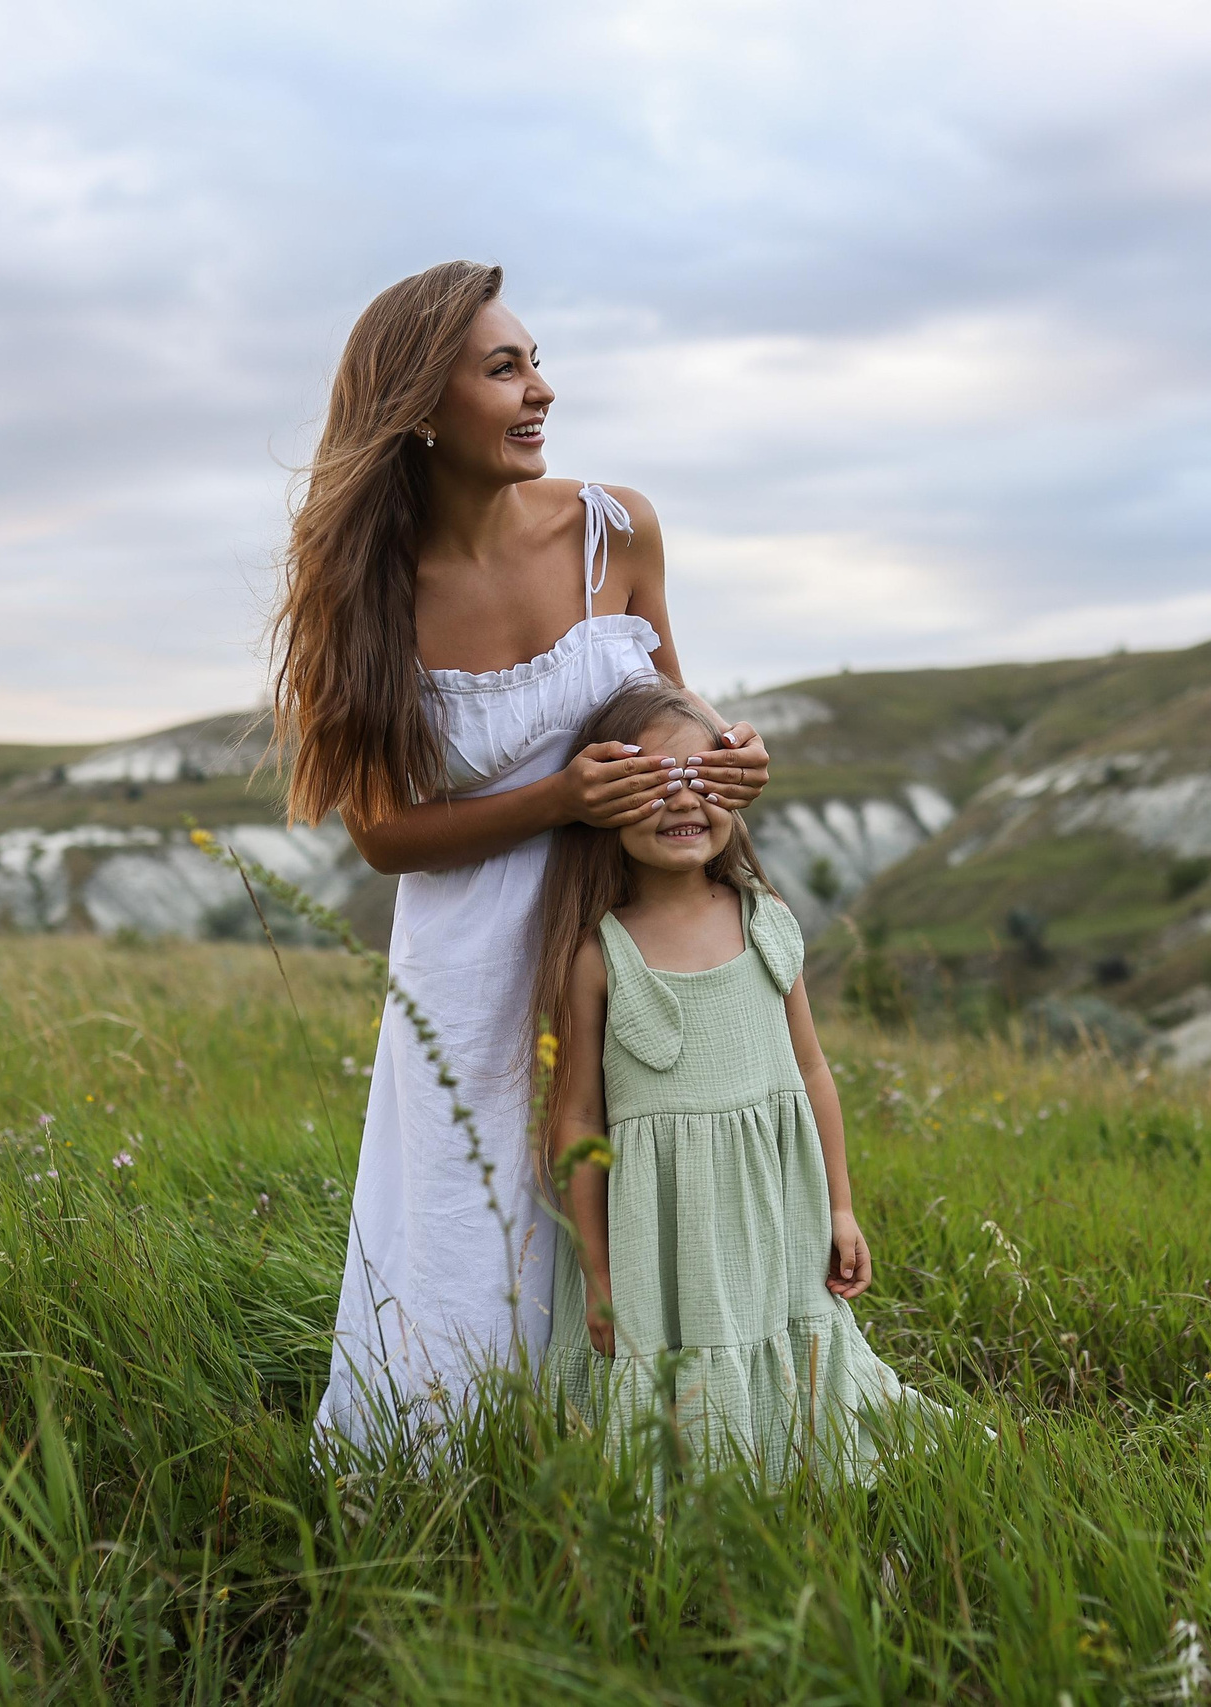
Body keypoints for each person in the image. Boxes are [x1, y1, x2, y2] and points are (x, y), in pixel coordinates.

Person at [271, 261, 772, 1448]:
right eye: (504, 369)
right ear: (419, 406)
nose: (541, 389)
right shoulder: (368, 593)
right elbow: (384, 836)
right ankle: (461, 1482)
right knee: (472, 1228)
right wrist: (557, 799)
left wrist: (727, 775)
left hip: (630, 933)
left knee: (649, 1200)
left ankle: (684, 1457)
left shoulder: (616, 529)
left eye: (535, 360)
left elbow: (670, 721)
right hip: (470, 969)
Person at [532, 679, 943, 1481]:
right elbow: (576, 1120)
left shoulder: (765, 921)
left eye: (702, 778)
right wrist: (599, 1269)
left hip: (774, 1216)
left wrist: (843, 1204)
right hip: (664, 1241)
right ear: (606, 801)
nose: (682, 800)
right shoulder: (599, 953)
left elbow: (812, 1072)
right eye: (653, 780)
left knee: (796, 1353)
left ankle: (789, 1473)